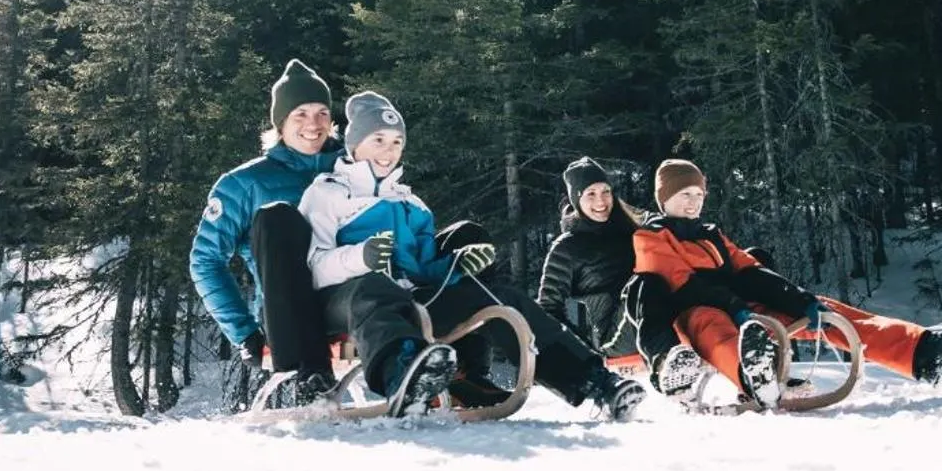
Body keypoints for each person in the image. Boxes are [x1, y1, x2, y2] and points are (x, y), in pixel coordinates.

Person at [299, 91, 648, 420]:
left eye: (396, 142)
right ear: (354, 142)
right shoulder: (328, 193)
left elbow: (422, 273)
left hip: (408, 300)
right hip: (344, 304)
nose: (388, 151)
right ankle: (403, 377)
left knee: (502, 300)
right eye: (378, 140)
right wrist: (360, 257)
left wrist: (454, 265)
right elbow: (311, 269)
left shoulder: (411, 204)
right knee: (371, 286)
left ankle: (594, 381)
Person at [633, 158, 942, 408]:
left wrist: (799, 301)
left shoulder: (711, 235)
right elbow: (683, 285)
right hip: (689, 315)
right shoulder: (650, 237)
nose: (694, 202)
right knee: (714, 325)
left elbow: (749, 270)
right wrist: (738, 312)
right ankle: (754, 379)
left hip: (744, 310)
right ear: (665, 199)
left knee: (830, 312)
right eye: (685, 195)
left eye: (698, 194)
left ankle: (923, 352)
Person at [189, 59, 346, 408]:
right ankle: (309, 370)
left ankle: (463, 376)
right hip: (288, 316)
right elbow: (205, 260)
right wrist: (243, 332)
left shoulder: (354, 169)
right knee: (278, 218)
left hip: (351, 302)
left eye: (322, 113)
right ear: (280, 123)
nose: (313, 124)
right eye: (300, 114)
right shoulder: (244, 184)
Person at [536, 157, 702, 397]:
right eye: (590, 194)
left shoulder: (632, 229)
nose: (601, 201)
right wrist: (582, 351)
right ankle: (666, 362)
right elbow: (548, 308)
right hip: (612, 339)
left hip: (655, 312)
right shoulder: (567, 248)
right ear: (576, 199)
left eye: (606, 191)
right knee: (646, 283)